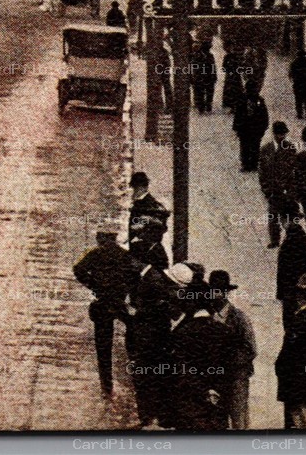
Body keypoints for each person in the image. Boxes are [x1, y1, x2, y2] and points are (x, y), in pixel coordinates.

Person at [73, 227, 135, 395]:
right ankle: (136, 374)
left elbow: (78, 270)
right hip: (120, 301)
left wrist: (93, 284)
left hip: (102, 301)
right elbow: (134, 275)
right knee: (134, 333)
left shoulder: (94, 254)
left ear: (100, 238)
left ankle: (106, 387)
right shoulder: (124, 254)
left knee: (103, 346)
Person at [128, 250, 182, 428]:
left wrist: (132, 313)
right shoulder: (154, 279)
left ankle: (150, 419)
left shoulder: (154, 282)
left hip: (151, 344)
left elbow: (154, 312)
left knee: (148, 382)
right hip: (151, 343)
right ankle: (151, 418)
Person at [168, 278, 231, 431]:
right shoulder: (224, 331)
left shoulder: (183, 333)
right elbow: (230, 366)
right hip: (218, 402)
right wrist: (214, 390)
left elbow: (183, 370)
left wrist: (203, 391)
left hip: (191, 405)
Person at [275, 273, 306, 429]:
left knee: (297, 424)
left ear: (299, 296)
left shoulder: (297, 321)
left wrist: (279, 368)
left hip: (296, 386)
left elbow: (288, 354)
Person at [210, 271, 255, 430]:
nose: (215, 294)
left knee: (239, 420)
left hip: (237, 377)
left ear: (226, 292)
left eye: (219, 291)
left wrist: (230, 359)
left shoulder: (239, 318)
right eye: (213, 290)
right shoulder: (208, 316)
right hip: (215, 378)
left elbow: (251, 349)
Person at [259, 121, 300, 247]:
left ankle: (291, 238)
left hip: (287, 189)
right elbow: (262, 171)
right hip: (272, 189)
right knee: (273, 216)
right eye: (279, 134)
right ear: (274, 134)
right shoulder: (266, 149)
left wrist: (291, 189)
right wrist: (266, 189)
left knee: (289, 215)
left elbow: (293, 169)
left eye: (284, 134)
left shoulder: (290, 148)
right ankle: (274, 240)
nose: (282, 137)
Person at [275, 218, 306, 329]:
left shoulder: (285, 249)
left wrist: (279, 293)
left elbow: (280, 273)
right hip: (300, 288)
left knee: (288, 318)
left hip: (288, 288)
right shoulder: (303, 249)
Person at [127, 172, 170, 250]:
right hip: (141, 248)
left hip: (146, 250)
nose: (133, 192)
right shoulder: (141, 203)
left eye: (135, 188)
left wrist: (142, 222)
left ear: (141, 188)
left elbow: (159, 224)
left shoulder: (149, 204)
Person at [234, 90, 269, 174]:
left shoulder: (243, 100)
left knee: (246, 147)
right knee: (254, 147)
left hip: (246, 129)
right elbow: (265, 116)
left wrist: (236, 127)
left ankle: (247, 165)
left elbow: (238, 115)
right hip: (253, 129)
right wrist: (264, 127)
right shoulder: (259, 100)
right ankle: (253, 164)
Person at [289, 49, 306, 120]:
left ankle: (299, 114)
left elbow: (291, 74)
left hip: (297, 84)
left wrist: (295, 79)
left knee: (298, 99)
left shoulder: (294, 63)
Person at [193, 44, 217, 113]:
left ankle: (207, 107)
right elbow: (195, 66)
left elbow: (213, 66)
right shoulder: (198, 55)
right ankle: (202, 108)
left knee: (208, 93)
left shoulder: (209, 56)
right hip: (201, 77)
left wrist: (214, 76)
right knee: (201, 93)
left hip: (207, 77)